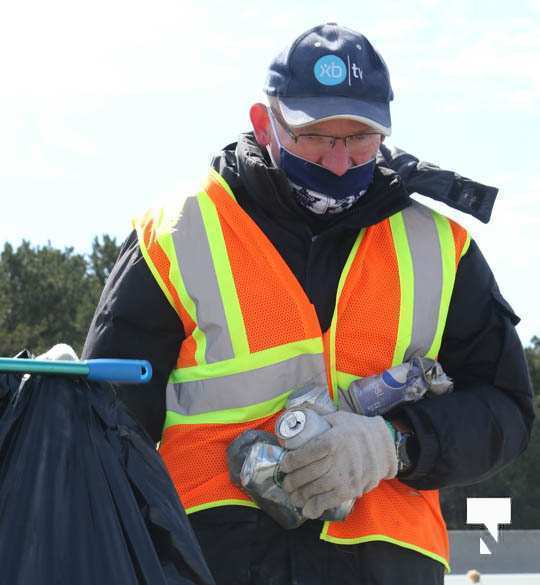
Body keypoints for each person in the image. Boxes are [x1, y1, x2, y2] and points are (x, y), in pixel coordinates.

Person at [83, 23, 534, 585]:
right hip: (211, 563)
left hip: (388, 566)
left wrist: (396, 444)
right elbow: (103, 427)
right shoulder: (178, 235)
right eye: (317, 136)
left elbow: (507, 411)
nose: (340, 162)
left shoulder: (442, 249)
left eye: (361, 138)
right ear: (263, 123)